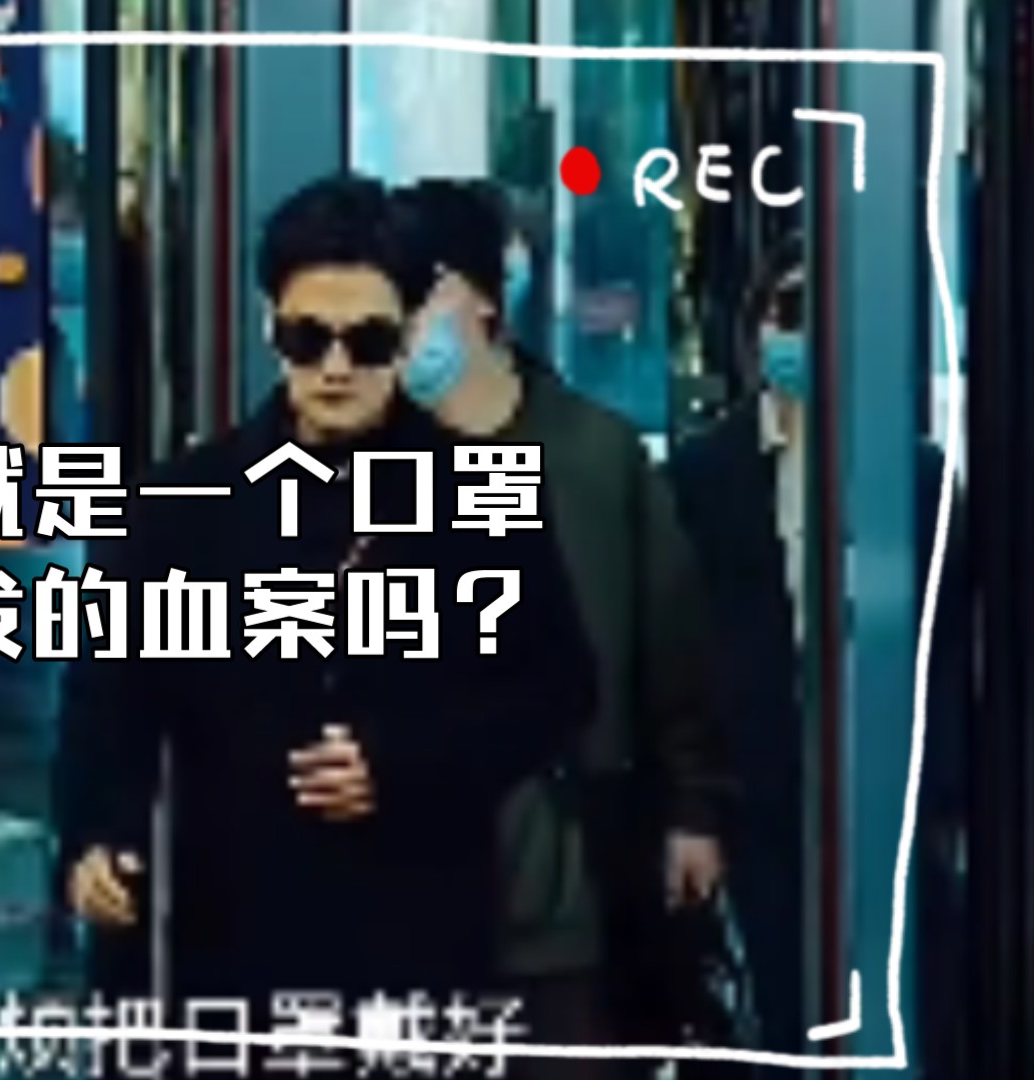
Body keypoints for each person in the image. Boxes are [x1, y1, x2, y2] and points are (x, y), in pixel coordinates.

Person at [55, 173, 600, 1062]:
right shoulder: (185, 503)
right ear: (270, 327)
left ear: (409, 333)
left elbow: (557, 689)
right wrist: (96, 838)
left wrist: (401, 762)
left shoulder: (478, 495)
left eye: (368, 340)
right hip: (231, 941)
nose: (337, 368)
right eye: (309, 339)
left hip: (418, 934)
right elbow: (110, 698)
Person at [391, 179, 732, 1077]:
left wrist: (693, 810)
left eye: (417, 294)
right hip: (415, 885)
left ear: (482, 297)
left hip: (575, 878)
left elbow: (671, 646)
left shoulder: (593, 455)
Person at [663, 231, 970, 1063]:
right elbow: (677, 657)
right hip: (755, 795)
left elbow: (948, 650)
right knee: (779, 1008)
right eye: (789, 310)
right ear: (756, 324)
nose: (803, 335)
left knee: (901, 1009)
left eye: (828, 314)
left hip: (883, 799)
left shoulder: (917, 478)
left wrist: (942, 796)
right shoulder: (702, 478)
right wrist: (693, 811)